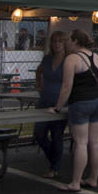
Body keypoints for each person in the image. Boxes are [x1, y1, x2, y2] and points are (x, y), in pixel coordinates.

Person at [50, 29, 98, 192]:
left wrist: (58, 107)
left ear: (74, 41)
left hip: (80, 102)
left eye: (69, 40)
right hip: (97, 102)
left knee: (81, 142)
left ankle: (76, 181)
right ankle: (93, 178)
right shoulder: (97, 58)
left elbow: (67, 87)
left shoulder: (72, 59)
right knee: (95, 141)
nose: (67, 43)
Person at [33, 30, 69, 178]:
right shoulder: (47, 59)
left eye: (60, 41)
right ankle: (54, 159)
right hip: (44, 99)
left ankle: (55, 167)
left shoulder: (68, 60)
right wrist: (38, 85)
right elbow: (38, 71)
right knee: (39, 133)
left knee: (57, 135)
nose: (57, 45)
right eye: (55, 41)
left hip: (59, 100)